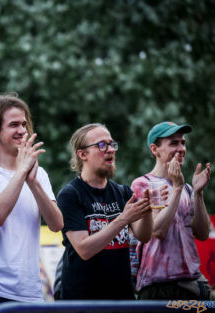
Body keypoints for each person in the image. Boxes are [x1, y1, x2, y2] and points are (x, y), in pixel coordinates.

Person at [0, 94, 63, 312]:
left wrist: (33, 181)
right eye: (13, 125)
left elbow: (56, 224)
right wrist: (21, 173)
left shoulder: (39, 173)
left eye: (24, 125)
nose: (22, 131)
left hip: (33, 292)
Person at [57, 123, 153, 300]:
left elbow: (144, 235)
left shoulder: (123, 192)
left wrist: (147, 210)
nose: (110, 150)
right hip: (82, 301)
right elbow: (84, 249)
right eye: (102, 145)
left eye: (112, 144)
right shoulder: (70, 194)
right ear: (82, 154)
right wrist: (122, 220)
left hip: (121, 298)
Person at [130, 121, 213, 300]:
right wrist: (176, 188)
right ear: (155, 149)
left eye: (183, 142)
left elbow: (202, 233)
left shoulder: (187, 188)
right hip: (159, 286)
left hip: (192, 282)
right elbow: (157, 231)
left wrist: (198, 193)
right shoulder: (143, 184)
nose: (181, 148)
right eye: (174, 143)